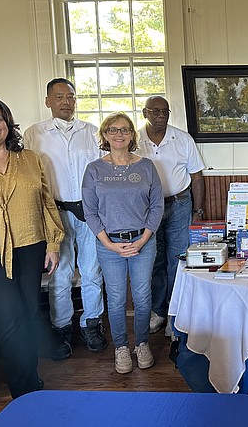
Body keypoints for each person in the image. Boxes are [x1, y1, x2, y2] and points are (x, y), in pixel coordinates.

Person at [0, 97, 64, 398]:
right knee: (9, 315)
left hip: (30, 245)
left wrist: (53, 243)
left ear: (7, 122)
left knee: (29, 312)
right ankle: (23, 391)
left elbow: (45, 202)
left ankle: (30, 377)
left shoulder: (31, 159)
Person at [24, 78, 107, 360]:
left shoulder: (92, 132)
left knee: (92, 271)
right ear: (48, 101)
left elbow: (102, 172)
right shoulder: (34, 134)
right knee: (59, 273)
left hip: (88, 212)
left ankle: (91, 324)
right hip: (53, 212)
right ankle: (61, 327)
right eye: (59, 97)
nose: (65, 102)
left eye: (70, 97)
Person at [82, 112, 164, 374]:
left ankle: (141, 343)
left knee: (142, 297)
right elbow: (90, 211)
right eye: (113, 130)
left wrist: (143, 239)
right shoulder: (94, 169)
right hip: (110, 244)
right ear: (105, 135)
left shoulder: (146, 166)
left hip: (143, 240)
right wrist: (109, 244)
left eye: (125, 130)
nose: (119, 134)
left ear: (132, 135)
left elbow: (157, 206)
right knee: (116, 299)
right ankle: (120, 347)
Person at [137, 96, 205, 337]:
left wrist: (198, 211)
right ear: (145, 112)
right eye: (155, 111)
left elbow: (197, 176)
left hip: (179, 205)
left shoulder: (182, 138)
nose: (161, 115)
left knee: (178, 260)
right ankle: (158, 311)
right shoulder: (135, 140)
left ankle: (175, 316)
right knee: (154, 261)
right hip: (147, 210)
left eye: (165, 111)